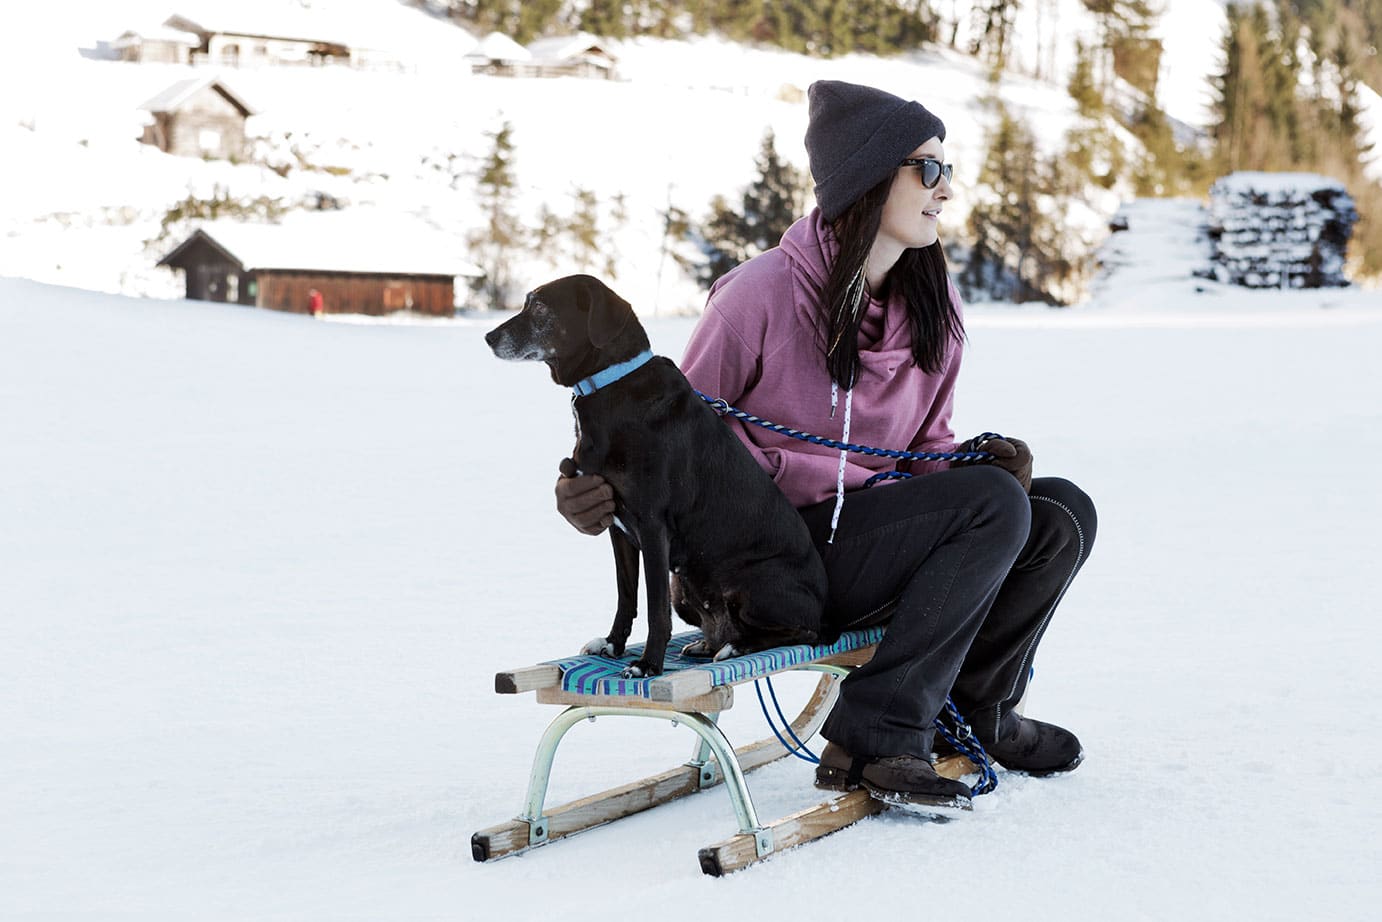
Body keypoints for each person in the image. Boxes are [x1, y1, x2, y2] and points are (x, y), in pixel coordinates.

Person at [555, 80, 1097, 810]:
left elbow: (921, 447)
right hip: (761, 566)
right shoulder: (758, 296)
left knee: (1061, 511)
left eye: (948, 170)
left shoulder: (934, 307)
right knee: (997, 506)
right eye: (927, 168)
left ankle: (975, 712)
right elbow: (666, 440)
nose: (944, 188)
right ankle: (875, 734)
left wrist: (972, 459)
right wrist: (593, 500)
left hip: (865, 541)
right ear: (871, 178)